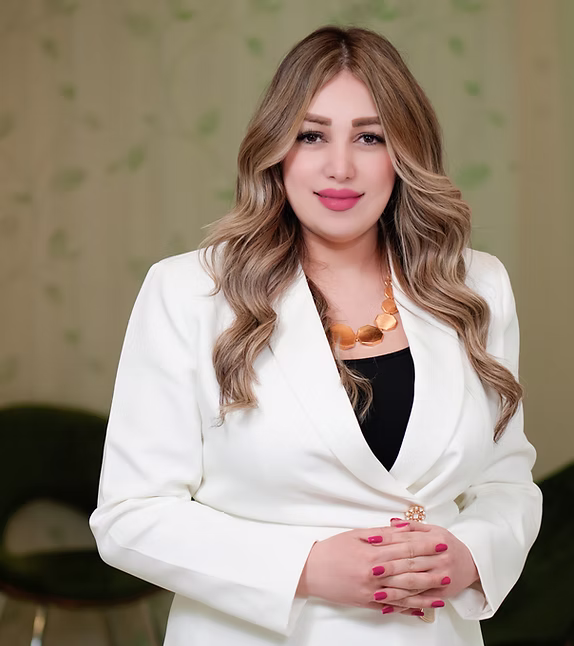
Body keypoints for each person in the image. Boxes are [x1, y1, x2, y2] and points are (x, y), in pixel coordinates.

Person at [89, 25, 542, 646]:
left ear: (404, 153)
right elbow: (129, 517)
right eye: (311, 135)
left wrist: (468, 558)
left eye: (369, 137)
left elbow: (506, 481)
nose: (340, 167)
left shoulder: (476, 286)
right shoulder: (190, 292)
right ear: (277, 149)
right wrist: (305, 568)